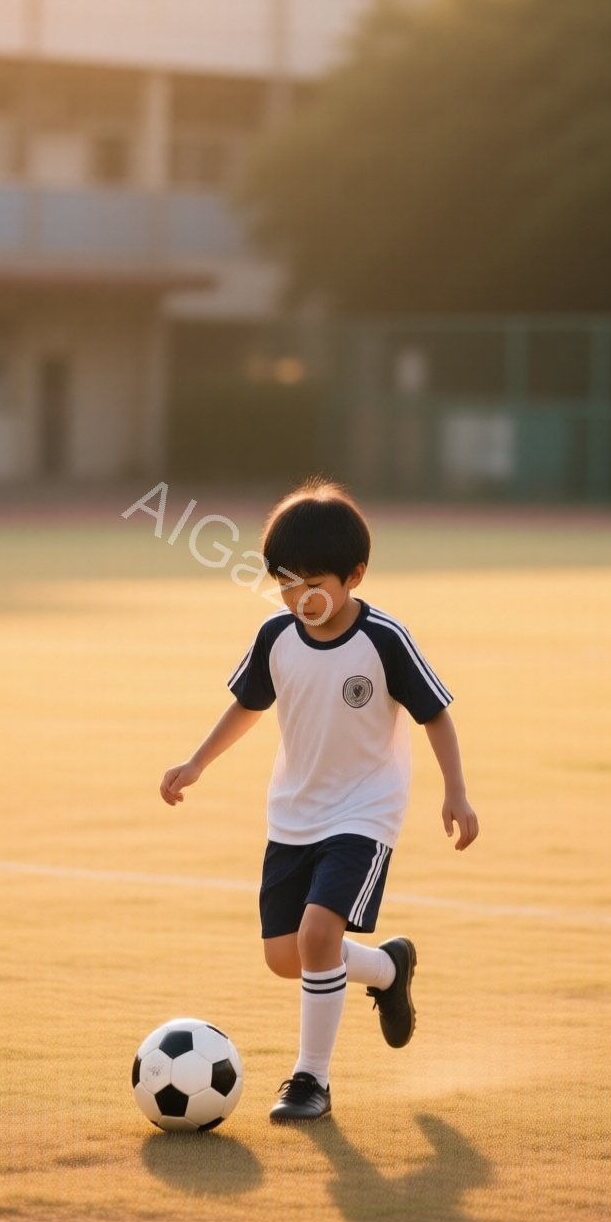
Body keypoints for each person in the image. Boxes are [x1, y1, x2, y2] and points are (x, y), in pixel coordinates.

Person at [159, 478, 479, 1124]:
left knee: (317, 935)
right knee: (286, 955)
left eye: (314, 581)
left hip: (364, 814)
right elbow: (248, 705)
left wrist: (456, 792)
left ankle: (312, 1081)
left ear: (354, 574)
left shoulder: (384, 639)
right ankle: (388, 969)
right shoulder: (274, 636)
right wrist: (196, 761)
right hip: (293, 814)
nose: (299, 596)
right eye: (285, 580)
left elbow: (436, 715)